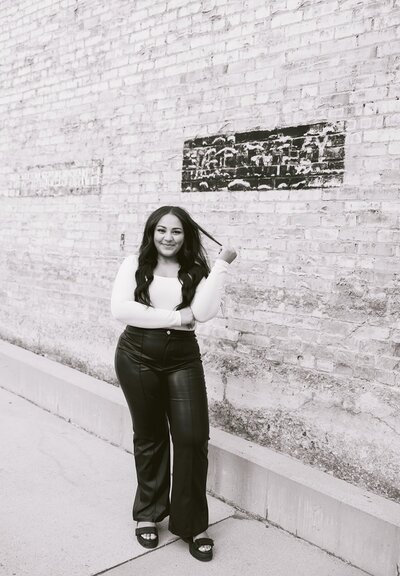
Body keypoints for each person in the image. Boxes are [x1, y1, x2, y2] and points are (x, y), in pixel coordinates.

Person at [110, 205, 237, 562]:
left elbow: (205, 312)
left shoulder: (196, 269)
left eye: (176, 231)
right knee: (150, 436)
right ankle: (148, 512)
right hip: (136, 354)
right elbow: (122, 309)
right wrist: (175, 316)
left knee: (193, 437)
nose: (168, 237)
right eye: (161, 230)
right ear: (152, 233)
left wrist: (223, 265)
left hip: (182, 357)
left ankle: (192, 523)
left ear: (186, 235)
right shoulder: (134, 264)